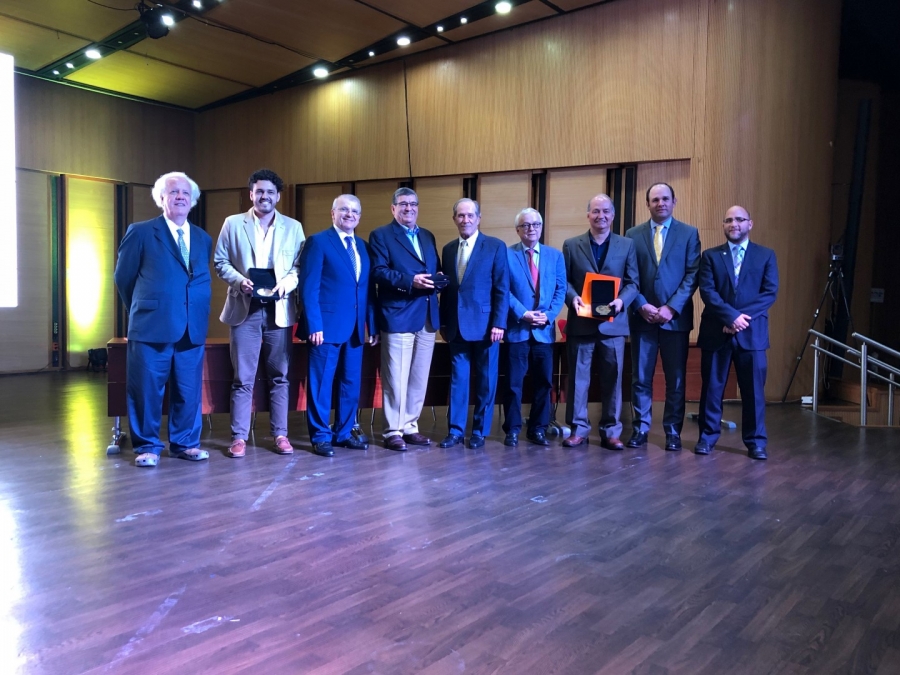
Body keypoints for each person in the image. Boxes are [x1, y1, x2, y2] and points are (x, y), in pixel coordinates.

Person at [114, 171, 212, 468]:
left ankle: (185, 443)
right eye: (173, 192)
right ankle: (147, 446)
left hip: (191, 327)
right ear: (161, 198)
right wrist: (141, 310)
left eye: (185, 193)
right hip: (150, 326)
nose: (180, 196)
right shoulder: (141, 232)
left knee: (188, 390)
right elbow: (123, 278)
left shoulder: (203, 238)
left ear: (193, 201)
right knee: (146, 390)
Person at [214, 169, 306, 458]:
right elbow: (220, 261)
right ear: (251, 194)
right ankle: (239, 437)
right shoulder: (232, 223)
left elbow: (299, 267)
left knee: (280, 376)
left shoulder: (294, 227)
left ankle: (280, 435)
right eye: (259, 191)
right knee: (243, 377)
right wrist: (239, 281)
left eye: (270, 192)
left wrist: (286, 284)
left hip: (279, 309)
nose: (265, 196)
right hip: (245, 309)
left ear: (278, 196)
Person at [695, 205, 778, 460]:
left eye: (740, 219)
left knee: (754, 392)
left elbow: (769, 293)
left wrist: (739, 319)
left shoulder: (765, 255)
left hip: (752, 335)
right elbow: (708, 291)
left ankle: (756, 442)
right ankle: (707, 438)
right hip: (716, 332)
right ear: (724, 225)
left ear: (750, 224)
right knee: (712, 390)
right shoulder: (710, 256)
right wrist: (730, 317)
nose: (734, 224)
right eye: (729, 220)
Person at [297, 194, 378, 457]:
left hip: (356, 329)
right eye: (344, 209)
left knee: (350, 383)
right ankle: (321, 436)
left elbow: (367, 290)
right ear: (333, 213)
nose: (349, 214)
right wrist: (314, 325)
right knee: (321, 384)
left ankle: (343, 433)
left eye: (354, 211)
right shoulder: (318, 242)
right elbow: (309, 288)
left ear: (359, 217)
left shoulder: (363, 246)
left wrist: (372, 325)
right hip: (325, 328)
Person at [625, 182, 700, 451]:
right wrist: (641, 304)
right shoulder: (632, 235)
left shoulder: (689, 233)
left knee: (675, 379)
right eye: (655, 199)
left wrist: (671, 308)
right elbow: (628, 275)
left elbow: (693, 274)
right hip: (642, 318)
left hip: (675, 320)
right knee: (640, 378)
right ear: (647, 204)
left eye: (665, 199)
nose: (661, 203)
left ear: (674, 202)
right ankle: (640, 428)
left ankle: (672, 432)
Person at [562, 194, 639, 450]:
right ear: (588, 215)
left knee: (613, 379)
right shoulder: (571, 245)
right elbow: (565, 281)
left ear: (613, 215)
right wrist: (572, 298)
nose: (601, 216)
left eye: (606, 211)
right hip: (581, 323)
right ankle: (578, 430)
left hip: (613, 325)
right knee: (578, 380)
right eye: (595, 211)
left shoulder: (626, 245)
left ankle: (611, 431)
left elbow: (633, 283)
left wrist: (621, 302)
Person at [369, 188, 441, 451]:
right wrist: (411, 281)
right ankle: (393, 430)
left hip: (427, 316)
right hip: (398, 315)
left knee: (418, 378)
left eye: (413, 204)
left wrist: (437, 279)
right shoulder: (381, 235)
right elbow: (378, 272)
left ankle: (410, 426)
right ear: (393, 208)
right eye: (403, 204)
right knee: (396, 379)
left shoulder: (427, 235)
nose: (408, 208)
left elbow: (434, 268)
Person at [439, 198, 509, 449]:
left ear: (479, 219)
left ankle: (479, 431)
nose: (465, 220)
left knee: (486, 381)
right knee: (458, 380)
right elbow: (447, 291)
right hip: (456, 326)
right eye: (460, 215)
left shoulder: (495, 246)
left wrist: (499, 323)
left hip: (487, 326)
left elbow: (502, 288)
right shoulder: (448, 249)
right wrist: (443, 323)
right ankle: (456, 431)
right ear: (454, 219)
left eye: (470, 215)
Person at [502, 208, 567, 447]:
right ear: (517, 230)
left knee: (544, 383)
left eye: (536, 224)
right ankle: (512, 430)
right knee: (513, 383)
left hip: (544, 331)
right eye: (526, 225)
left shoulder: (555, 256)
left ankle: (538, 429)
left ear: (541, 227)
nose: (531, 229)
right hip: (517, 329)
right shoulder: (506, 255)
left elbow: (560, 289)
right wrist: (523, 313)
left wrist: (548, 316)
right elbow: (503, 290)